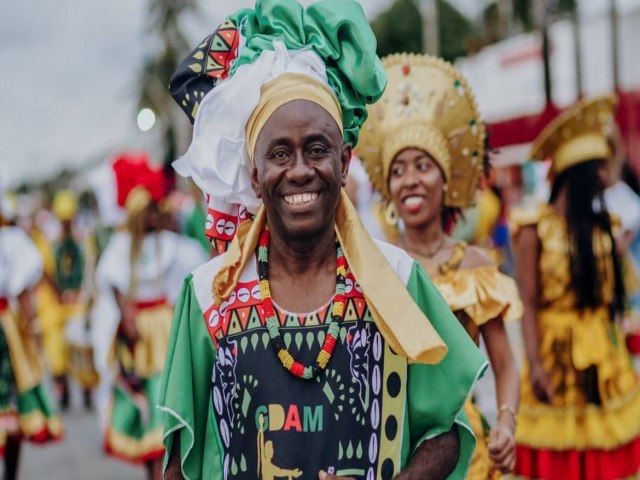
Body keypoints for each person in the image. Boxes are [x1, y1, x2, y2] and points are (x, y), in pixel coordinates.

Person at [160, 2, 487, 479]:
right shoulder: (208, 294)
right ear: (255, 174)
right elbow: (178, 463)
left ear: (344, 160)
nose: (299, 170)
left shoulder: (396, 282)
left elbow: (444, 432)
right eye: (279, 153)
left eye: (317, 149)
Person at [358, 53, 521, 479]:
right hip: (395, 441)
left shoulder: (475, 264)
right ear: (388, 189)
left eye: (423, 166)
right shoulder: (376, 264)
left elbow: (504, 365)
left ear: (445, 181)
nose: (410, 179)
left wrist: (506, 421)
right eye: (398, 170)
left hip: (468, 443)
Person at [511, 95, 640, 480]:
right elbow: (528, 303)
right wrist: (534, 363)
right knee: (562, 460)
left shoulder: (604, 228)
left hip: (604, 360)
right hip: (556, 358)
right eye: (598, 169)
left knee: (607, 455)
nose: (606, 176)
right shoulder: (535, 228)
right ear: (579, 174)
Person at [96, 159, 207, 480]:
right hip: (138, 335)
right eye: (145, 211)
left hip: (164, 328)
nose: (152, 215)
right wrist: (125, 315)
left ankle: (168, 466)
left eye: (153, 210)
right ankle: (153, 471)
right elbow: (111, 281)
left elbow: (191, 272)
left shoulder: (171, 245)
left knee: (166, 395)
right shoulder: (120, 248)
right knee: (144, 400)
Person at [0, 194, 63, 480]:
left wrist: (32, 329)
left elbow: (25, 289)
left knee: (11, 411)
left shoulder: (9, 240)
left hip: (6, 335)